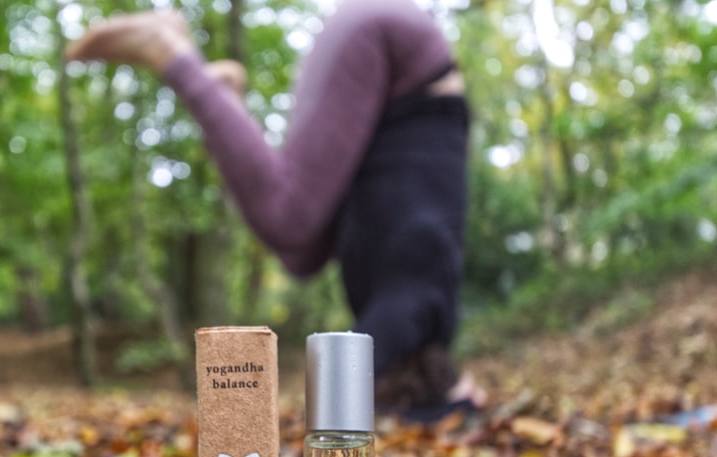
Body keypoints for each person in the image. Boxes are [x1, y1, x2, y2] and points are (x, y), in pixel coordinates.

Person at [66, 0, 486, 421]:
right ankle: (170, 52)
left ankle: (223, 104)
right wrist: (457, 403)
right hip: (390, 46)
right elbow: (359, 357)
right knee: (288, 217)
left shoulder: (416, 305)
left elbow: (361, 355)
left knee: (301, 253)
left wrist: (452, 396)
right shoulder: (426, 317)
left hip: (390, 80)